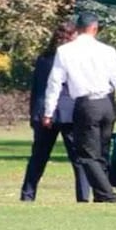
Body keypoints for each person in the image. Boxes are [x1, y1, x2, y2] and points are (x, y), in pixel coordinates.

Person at [43, 13, 116, 203]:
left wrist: (48, 112)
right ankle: (101, 195)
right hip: (106, 104)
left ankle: (107, 195)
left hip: (86, 104)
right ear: (95, 28)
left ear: (77, 29)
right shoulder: (107, 50)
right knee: (102, 153)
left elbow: (55, 83)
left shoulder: (65, 51)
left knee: (87, 154)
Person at [20, 22, 91, 202]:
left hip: (44, 111)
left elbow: (36, 88)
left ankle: (28, 194)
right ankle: (83, 196)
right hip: (69, 113)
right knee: (78, 158)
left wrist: (34, 114)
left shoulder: (44, 58)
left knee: (38, 157)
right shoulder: (73, 58)